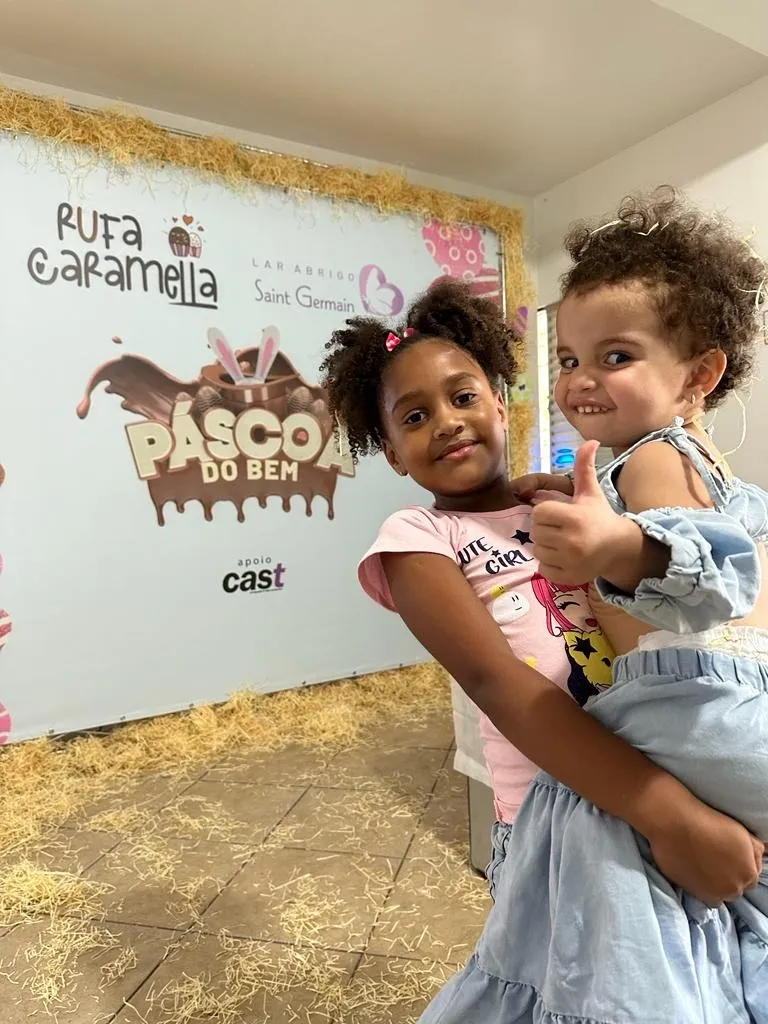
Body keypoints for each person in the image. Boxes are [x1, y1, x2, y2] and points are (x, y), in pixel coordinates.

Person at [319, 264, 764, 1021]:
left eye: (463, 397)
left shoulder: (568, 499)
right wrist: (671, 816)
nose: (447, 422)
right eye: (415, 417)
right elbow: (500, 685)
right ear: (391, 451)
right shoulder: (418, 537)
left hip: (673, 774)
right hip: (567, 818)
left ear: (501, 402)